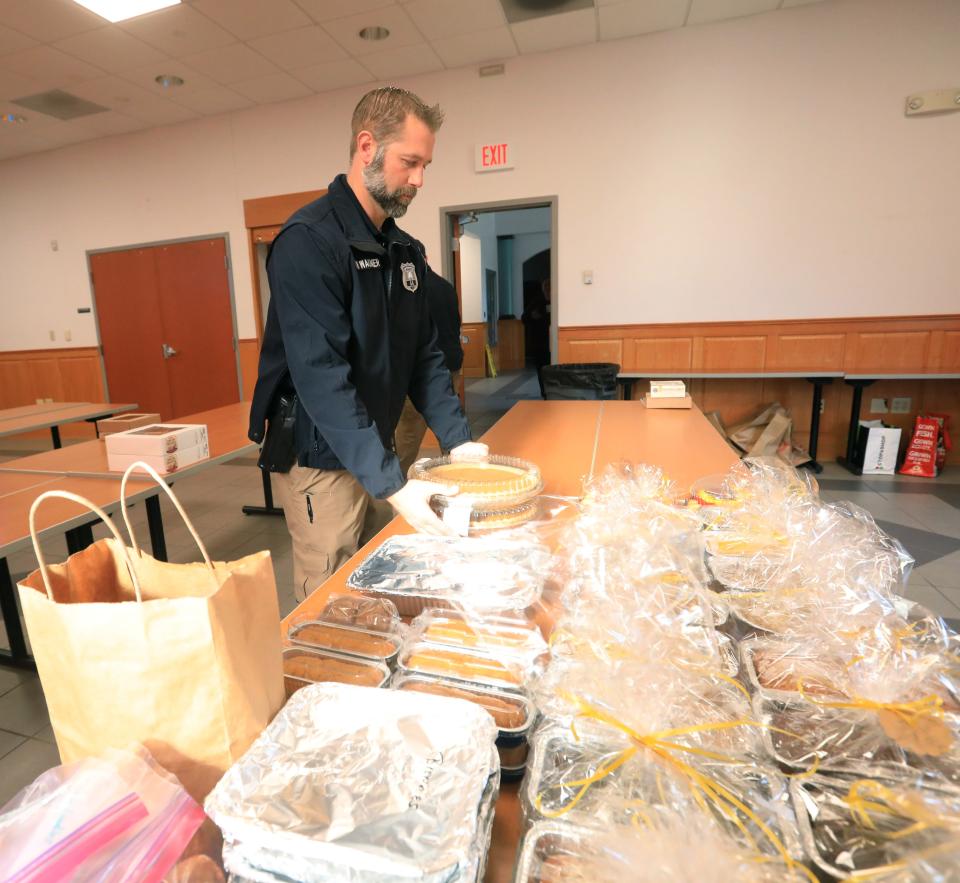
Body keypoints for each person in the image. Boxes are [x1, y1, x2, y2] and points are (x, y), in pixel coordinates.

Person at [249, 87, 486, 602]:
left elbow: (424, 355)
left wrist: (458, 440)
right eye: (409, 163)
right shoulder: (308, 242)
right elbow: (321, 377)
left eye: (426, 165)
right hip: (319, 452)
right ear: (366, 147)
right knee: (334, 589)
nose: (419, 179)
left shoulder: (403, 250)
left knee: (374, 575)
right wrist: (391, 481)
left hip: (369, 442)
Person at [394, 262, 464, 477]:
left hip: (423, 372)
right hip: (452, 363)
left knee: (408, 435)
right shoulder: (446, 286)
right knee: (451, 430)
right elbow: (456, 323)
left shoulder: (410, 288)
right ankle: (459, 475)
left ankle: (394, 483)